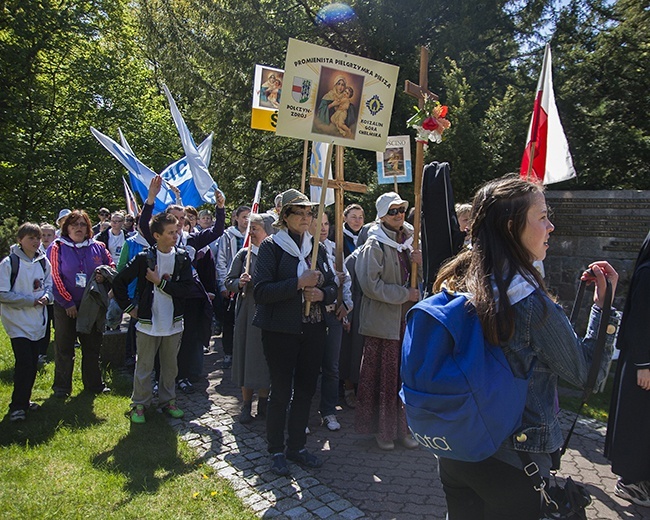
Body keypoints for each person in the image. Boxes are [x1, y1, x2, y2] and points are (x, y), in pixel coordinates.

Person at [432, 175, 619, 520]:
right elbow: (587, 373)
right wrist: (603, 309)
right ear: (510, 226)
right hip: (514, 459)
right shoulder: (528, 301)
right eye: (543, 216)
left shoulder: (456, 280)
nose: (551, 225)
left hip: (456, 450)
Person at [253, 189, 338, 476]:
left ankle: (297, 447)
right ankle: (276, 449)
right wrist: (298, 284)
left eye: (309, 213)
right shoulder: (271, 247)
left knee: (305, 390)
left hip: (313, 328)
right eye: (298, 213)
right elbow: (261, 292)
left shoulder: (318, 248)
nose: (305, 218)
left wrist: (321, 294)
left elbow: (333, 287)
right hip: (280, 330)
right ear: (284, 217)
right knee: (281, 391)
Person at [354, 192, 421, 450]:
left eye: (401, 210)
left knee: (403, 379)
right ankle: (382, 432)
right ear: (382, 215)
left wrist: (420, 261)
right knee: (385, 378)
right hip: (384, 324)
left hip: (406, 322)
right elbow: (371, 285)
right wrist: (405, 294)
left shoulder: (411, 241)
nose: (399, 215)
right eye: (392, 211)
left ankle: (403, 429)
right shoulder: (375, 245)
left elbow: (420, 277)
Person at [113, 212, 194, 423]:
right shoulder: (143, 258)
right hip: (148, 322)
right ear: (157, 235)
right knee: (144, 366)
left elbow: (187, 289)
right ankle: (139, 404)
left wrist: (161, 283)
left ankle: (168, 401)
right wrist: (130, 308)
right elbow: (119, 281)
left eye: (177, 231)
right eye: (170, 232)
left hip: (174, 322)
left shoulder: (182, 257)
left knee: (170, 366)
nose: (176, 236)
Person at [48, 210, 114, 398]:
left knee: (92, 347)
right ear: (66, 227)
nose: (78, 228)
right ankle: (62, 387)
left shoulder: (98, 246)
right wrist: (67, 302)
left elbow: (111, 266)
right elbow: (54, 276)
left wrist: (104, 275)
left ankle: (94, 385)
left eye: (83, 224)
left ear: (88, 228)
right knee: (64, 348)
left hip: (92, 305)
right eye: (74, 224)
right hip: (65, 306)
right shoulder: (57, 247)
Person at [605, 230, 650, 506]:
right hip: (641, 366)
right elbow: (640, 323)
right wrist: (644, 364)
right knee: (637, 425)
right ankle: (631, 482)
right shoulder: (648, 273)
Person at [0, 223, 53, 422]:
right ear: (20, 240)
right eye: (31, 238)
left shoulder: (42, 261)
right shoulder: (9, 263)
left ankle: (25, 399)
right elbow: (3, 293)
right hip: (17, 323)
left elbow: (49, 284)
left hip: (37, 322)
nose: (35, 242)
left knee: (32, 364)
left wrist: (46, 298)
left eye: (38, 238)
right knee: (24, 364)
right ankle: (17, 407)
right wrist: (29, 301)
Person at [225, 213, 271, 424]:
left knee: (265, 359)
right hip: (247, 312)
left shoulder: (275, 254)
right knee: (247, 357)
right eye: (250, 228)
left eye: (256, 228)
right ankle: (245, 405)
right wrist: (239, 282)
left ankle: (263, 403)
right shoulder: (244, 255)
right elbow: (229, 281)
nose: (251, 232)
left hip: (269, 313)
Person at [310, 212, 352, 431]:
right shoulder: (305, 249)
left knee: (331, 367)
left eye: (326, 224)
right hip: (311, 315)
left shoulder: (336, 248)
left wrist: (347, 304)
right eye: (318, 225)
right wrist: (335, 279)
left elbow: (347, 279)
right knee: (307, 366)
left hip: (333, 314)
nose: (324, 229)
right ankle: (304, 413)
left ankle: (328, 411)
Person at [216, 205, 251, 369]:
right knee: (229, 321)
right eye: (244, 216)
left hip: (248, 284)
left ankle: (245, 353)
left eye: (249, 217)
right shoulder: (228, 235)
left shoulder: (254, 234)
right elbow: (221, 260)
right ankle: (229, 353)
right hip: (232, 284)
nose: (246, 220)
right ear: (236, 218)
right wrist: (223, 284)